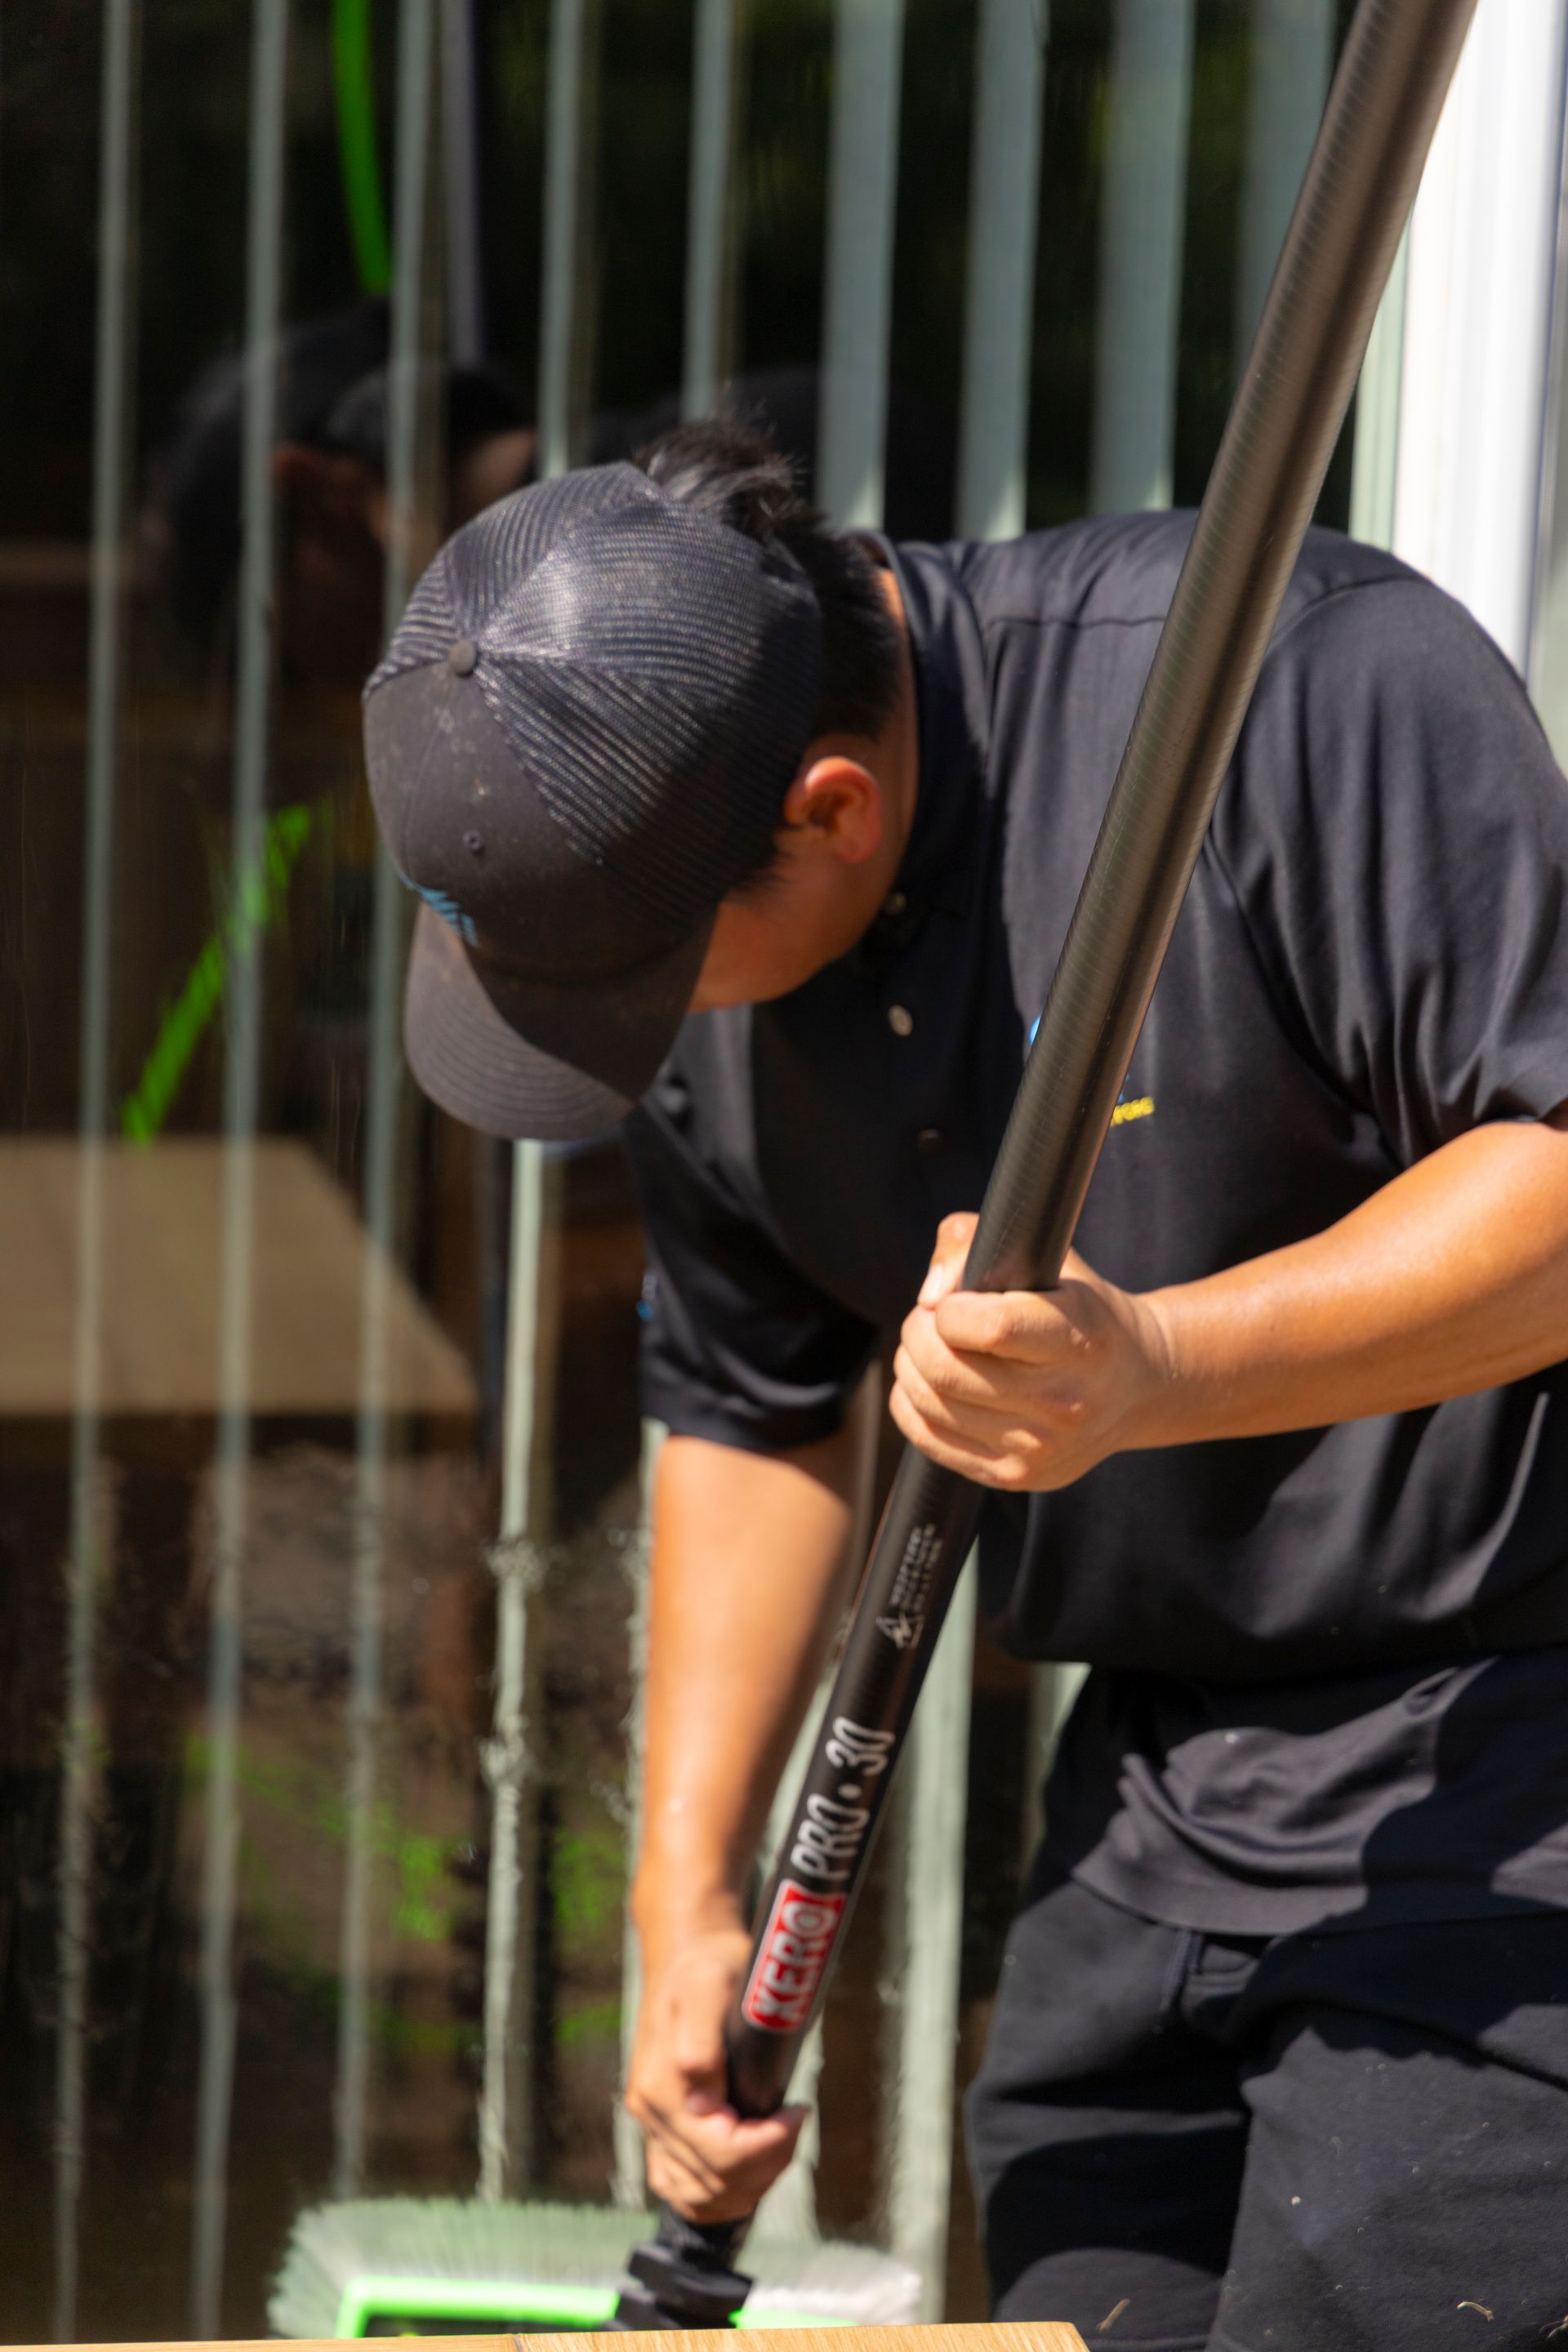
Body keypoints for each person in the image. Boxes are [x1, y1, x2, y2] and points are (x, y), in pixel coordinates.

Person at [362, 420, 1568, 2352]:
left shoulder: (1283, 690)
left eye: (648, 988)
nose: (640, 1041)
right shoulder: (682, 900)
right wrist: (686, 1901)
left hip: (1509, 1752)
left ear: (830, 811)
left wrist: (1155, 1364)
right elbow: (753, 1412)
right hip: (1162, 1785)